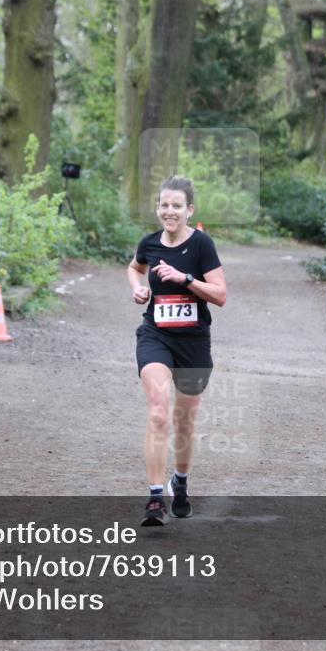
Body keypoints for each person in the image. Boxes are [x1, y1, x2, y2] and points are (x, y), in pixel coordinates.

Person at [127, 176, 227, 526]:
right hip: (155, 335)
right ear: (158, 208)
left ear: (189, 210)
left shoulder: (201, 245)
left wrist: (185, 279)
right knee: (158, 413)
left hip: (193, 343)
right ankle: (155, 498)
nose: (170, 211)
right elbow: (134, 267)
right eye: (164, 205)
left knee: (184, 421)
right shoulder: (149, 243)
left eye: (177, 206)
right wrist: (138, 288)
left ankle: (180, 482)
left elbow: (221, 295)